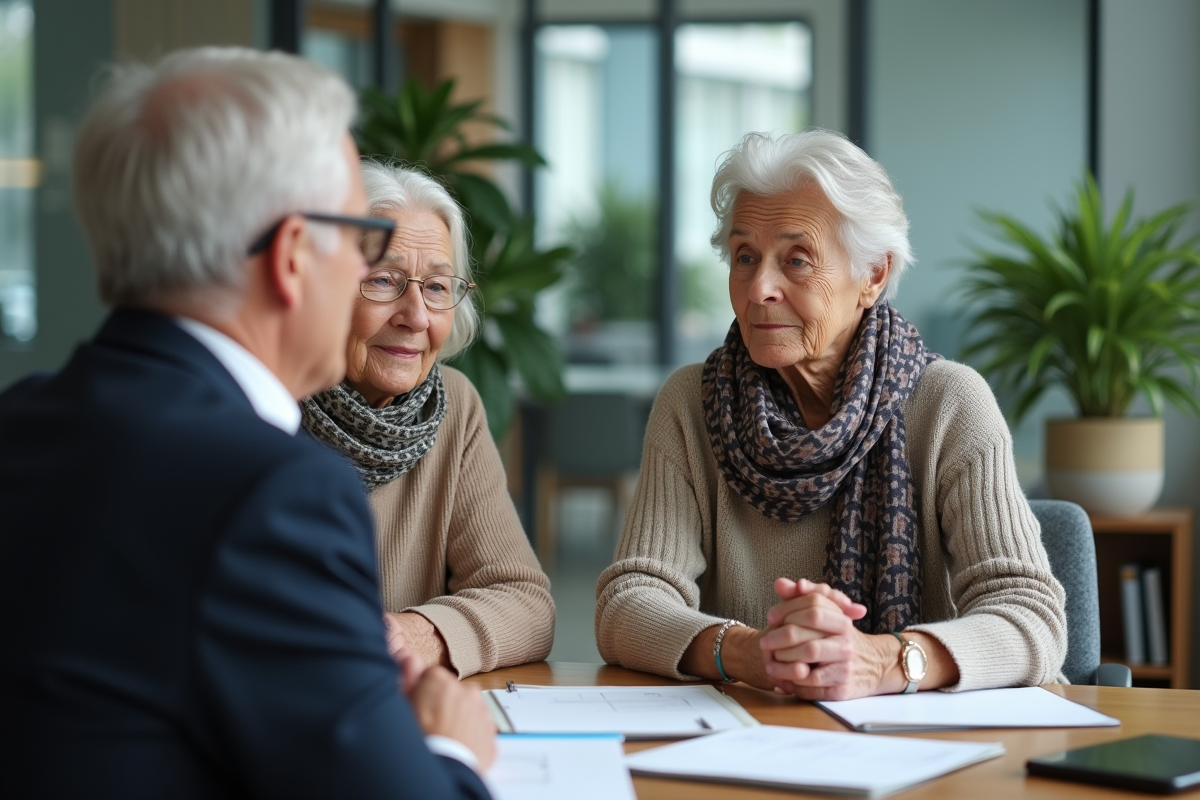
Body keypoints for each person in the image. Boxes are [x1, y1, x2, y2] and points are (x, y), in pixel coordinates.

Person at [0, 48, 494, 799]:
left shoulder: (21, 421)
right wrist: (450, 749)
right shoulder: (274, 491)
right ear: (294, 257)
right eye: (364, 244)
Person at [595, 130, 1067, 701]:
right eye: (745, 257)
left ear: (871, 276)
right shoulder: (691, 404)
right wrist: (747, 652)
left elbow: (1032, 616)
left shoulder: (950, 404)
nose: (760, 287)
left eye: (797, 259)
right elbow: (627, 603)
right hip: (752, 739)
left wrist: (882, 660)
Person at [301, 161, 554, 678]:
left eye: (436, 288)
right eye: (384, 280)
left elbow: (527, 604)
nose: (415, 315)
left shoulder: (453, 406)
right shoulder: (261, 406)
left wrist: (420, 633)